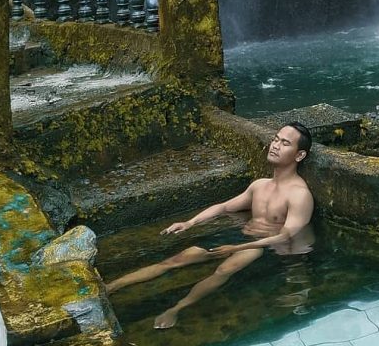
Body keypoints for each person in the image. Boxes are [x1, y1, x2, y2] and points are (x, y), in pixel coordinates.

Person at [106, 121, 315, 329]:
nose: (275, 145)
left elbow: (286, 235)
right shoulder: (259, 185)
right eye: (275, 139)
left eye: (285, 143)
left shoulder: (299, 195)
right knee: (178, 259)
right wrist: (189, 222)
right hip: (240, 236)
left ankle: (176, 309)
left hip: (264, 247)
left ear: (299, 155)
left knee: (225, 269)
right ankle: (111, 287)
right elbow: (224, 207)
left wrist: (237, 248)